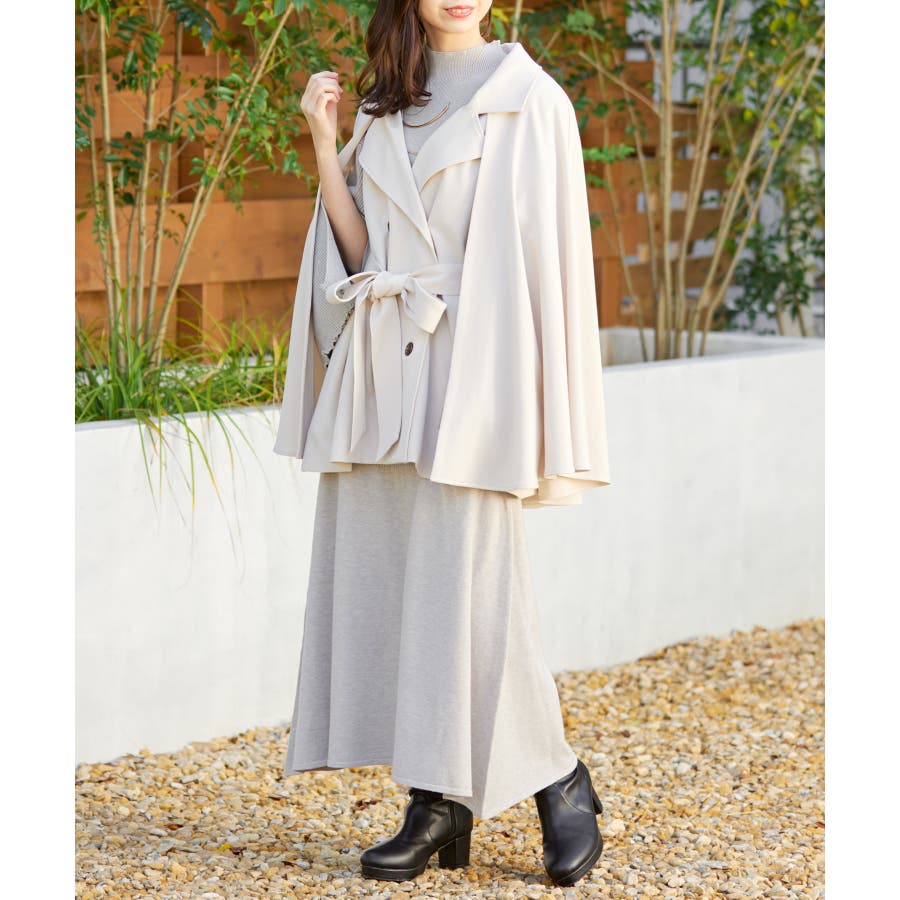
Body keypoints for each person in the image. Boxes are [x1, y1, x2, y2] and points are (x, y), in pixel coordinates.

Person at [272, 0, 612, 888]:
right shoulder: (387, 101)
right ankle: (436, 802)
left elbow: (551, 261)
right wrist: (325, 142)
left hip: (477, 375)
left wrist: (538, 406)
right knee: (399, 585)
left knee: (479, 590)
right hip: (385, 371)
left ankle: (558, 778)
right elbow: (360, 251)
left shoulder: (530, 99)